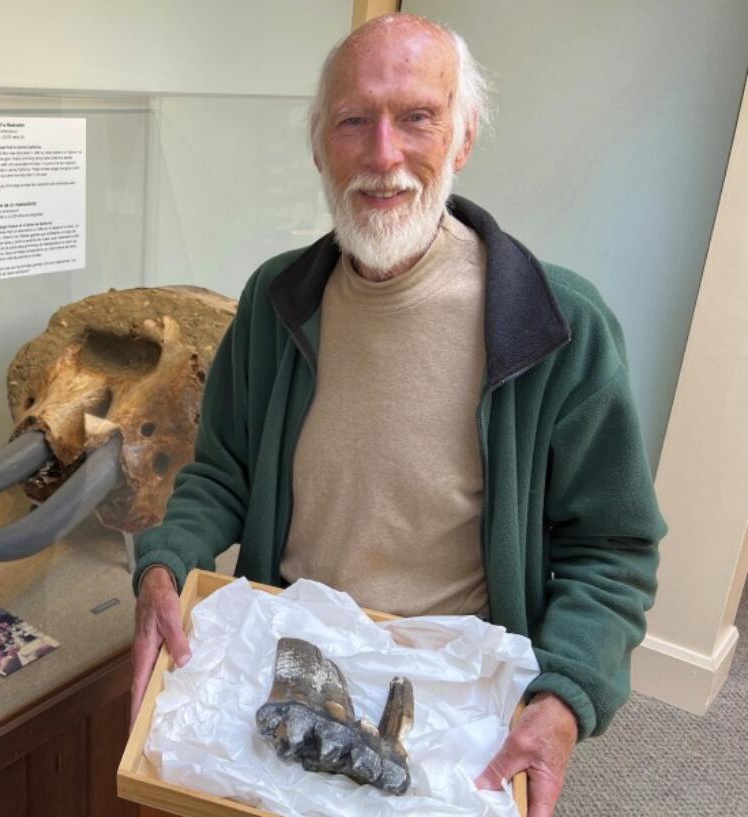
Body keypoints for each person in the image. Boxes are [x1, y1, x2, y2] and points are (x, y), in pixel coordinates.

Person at [129, 13, 665, 816]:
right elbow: (222, 469)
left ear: (464, 137)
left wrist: (567, 694)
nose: (384, 157)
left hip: (461, 693)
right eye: (354, 121)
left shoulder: (561, 325)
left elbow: (613, 550)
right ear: (319, 146)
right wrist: (167, 562)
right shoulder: (277, 302)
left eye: (418, 117)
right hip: (294, 653)